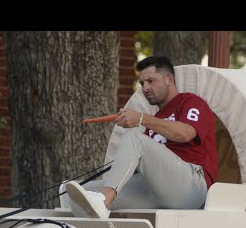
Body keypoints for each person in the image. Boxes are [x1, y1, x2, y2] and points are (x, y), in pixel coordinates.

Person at [66, 56, 218, 218]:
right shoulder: (155, 121)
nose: (145, 88)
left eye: (151, 81)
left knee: (134, 136)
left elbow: (185, 133)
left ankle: (104, 200)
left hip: (194, 188)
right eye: (142, 83)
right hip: (160, 191)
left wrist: (141, 118)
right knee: (80, 193)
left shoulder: (190, 101)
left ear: (169, 79)